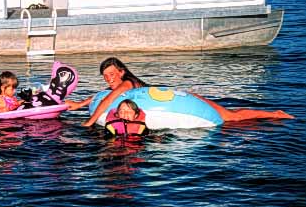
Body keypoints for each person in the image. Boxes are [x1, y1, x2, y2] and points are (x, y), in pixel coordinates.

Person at [66, 57, 294, 127]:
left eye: (113, 75)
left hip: (185, 100)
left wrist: (89, 122)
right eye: (106, 77)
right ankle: (272, 114)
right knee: (229, 117)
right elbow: (101, 95)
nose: (110, 80)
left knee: (230, 118)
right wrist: (78, 104)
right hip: (182, 97)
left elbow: (108, 99)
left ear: (122, 72)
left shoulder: (126, 85)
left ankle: (275, 114)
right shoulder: (118, 86)